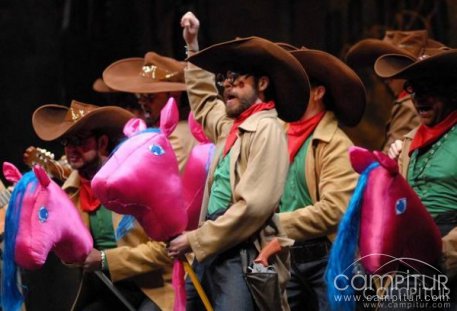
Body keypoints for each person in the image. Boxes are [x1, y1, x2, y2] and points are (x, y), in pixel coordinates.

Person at [167, 12, 310, 311]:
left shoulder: (267, 128)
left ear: (262, 84)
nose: (227, 86)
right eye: (224, 79)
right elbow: (206, 103)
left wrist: (195, 238)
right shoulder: (232, 126)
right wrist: (192, 46)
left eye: (237, 79)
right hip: (211, 243)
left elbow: (253, 207)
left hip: (240, 248)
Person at [32, 100, 175, 311]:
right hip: (107, 287)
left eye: (79, 140)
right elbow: (72, 258)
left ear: (102, 142)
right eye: (67, 142)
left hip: (152, 286)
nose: (72, 149)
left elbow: (165, 250)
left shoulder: (133, 180)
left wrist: (105, 259)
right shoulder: (69, 194)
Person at [277, 47, 365, 310]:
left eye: (298, 85)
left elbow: (334, 210)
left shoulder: (336, 145)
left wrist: (271, 224)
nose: (288, 91)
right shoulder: (277, 135)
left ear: (318, 92)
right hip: (285, 257)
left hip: (325, 260)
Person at [376, 47, 457, 308]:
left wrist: (443, 251)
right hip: (410, 257)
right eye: (414, 89)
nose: (420, 98)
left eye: (430, 88)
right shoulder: (407, 144)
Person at [346, 29, 444, 153]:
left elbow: (389, 160)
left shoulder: (408, 106)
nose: (386, 80)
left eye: (393, 72)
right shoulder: (409, 104)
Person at [102, 51, 197, 172]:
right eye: (139, 95)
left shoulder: (176, 136)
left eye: (148, 96)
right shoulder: (168, 131)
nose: (142, 102)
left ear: (175, 94)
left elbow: (154, 180)